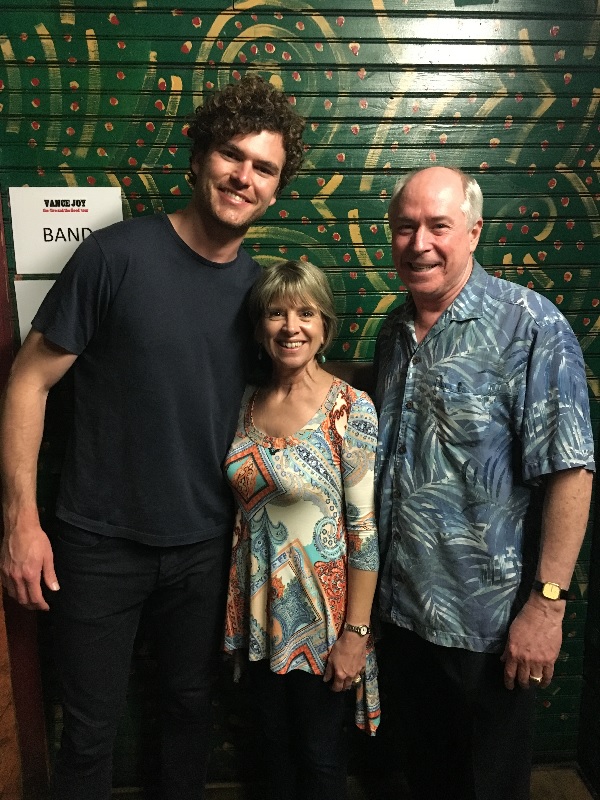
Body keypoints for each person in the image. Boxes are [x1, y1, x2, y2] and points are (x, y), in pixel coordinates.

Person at [0, 75, 305, 800]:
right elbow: (27, 383)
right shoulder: (115, 256)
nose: (244, 176)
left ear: (276, 190)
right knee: (92, 731)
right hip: (98, 543)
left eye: (263, 168)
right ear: (200, 158)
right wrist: (20, 523)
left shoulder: (263, 293)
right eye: (232, 155)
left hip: (206, 547)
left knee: (189, 717)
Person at [373, 166, 595, 800]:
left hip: (490, 630)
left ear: (473, 231)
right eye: (405, 227)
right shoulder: (394, 333)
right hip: (405, 618)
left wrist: (547, 607)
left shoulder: (531, 326)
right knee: (426, 780)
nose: (420, 243)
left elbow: (572, 473)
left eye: (438, 226)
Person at [223, 259, 380, 800]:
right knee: (271, 755)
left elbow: (364, 531)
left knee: (319, 760)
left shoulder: (350, 409)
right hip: (259, 616)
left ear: (324, 326)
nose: (291, 326)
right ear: (259, 327)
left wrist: (356, 636)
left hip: (320, 621)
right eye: (276, 313)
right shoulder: (245, 401)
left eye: (305, 313)